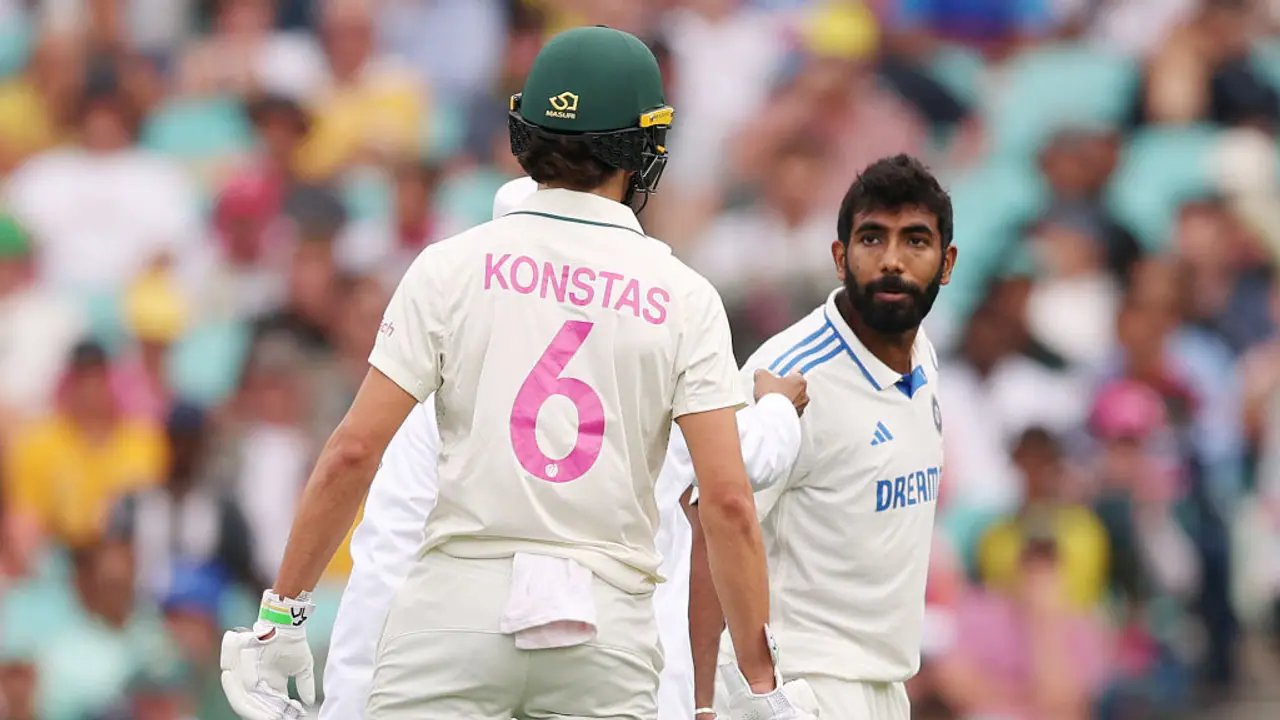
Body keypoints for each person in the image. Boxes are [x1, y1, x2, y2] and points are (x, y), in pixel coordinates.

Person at [220, 26, 807, 720]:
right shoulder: (684, 297)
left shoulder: (451, 266)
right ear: (644, 148)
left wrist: (284, 615)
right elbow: (730, 502)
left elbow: (353, 450)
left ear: (526, 132)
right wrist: (762, 685)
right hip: (604, 632)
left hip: (456, 616)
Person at [318, 176, 810, 720]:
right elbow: (742, 474)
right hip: (618, 661)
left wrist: (342, 700)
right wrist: (779, 408)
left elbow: (386, 555)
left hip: (458, 647)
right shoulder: (660, 336)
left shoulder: (432, 379)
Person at [691, 154, 958, 720]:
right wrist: (706, 702)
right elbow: (711, 521)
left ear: (947, 263)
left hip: (887, 686)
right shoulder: (789, 376)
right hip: (803, 687)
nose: (891, 261)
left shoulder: (922, 355)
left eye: (915, 241)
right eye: (871, 239)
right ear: (840, 257)